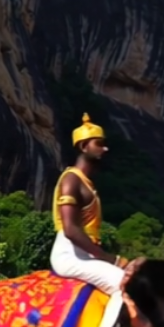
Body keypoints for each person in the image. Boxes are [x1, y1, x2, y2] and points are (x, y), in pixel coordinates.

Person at [50, 112, 128, 293]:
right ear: (84, 146)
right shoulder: (71, 180)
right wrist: (109, 259)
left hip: (84, 254)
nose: (105, 149)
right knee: (125, 285)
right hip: (70, 256)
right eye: (99, 144)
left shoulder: (86, 182)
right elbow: (70, 229)